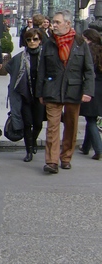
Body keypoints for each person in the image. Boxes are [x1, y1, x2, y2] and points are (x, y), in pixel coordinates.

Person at [36, 10, 95, 174]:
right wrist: (40, 92)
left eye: (57, 22)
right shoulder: (49, 43)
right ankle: (51, 161)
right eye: (53, 22)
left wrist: (88, 91)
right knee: (52, 128)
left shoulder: (80, 43)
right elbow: (42, 70)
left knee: (71, 126)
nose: (54, 25)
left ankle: (66, 157)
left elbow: (89, 70)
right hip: (52, 90)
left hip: (73, 91)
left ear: (68, 24)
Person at [6, 28, 45, 162]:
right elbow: (10, 70)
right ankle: (28, 151)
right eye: (29, 39)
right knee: (27, 124)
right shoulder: (19, 58)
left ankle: (33, 141)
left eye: (35, 39)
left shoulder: (45, 57)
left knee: (38, 123)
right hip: (25, 95)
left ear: (40, 40)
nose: (32, 42)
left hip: (40, 96)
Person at [78, 29, 102, 160]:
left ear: (88, 39)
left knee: (91, 119)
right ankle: (86, 147)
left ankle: (99, 149)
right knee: (91, 118)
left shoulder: (88, 51)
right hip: (100, 89)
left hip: (91, 88)